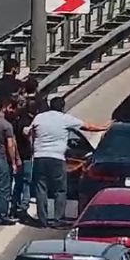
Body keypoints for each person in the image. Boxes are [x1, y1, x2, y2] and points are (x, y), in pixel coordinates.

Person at [30, 95, 109, 228]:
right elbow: (87, 127)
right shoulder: (64, 118)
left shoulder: (39, 118)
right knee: (60, 189)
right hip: (57, 158)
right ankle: (57, 219)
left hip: (39, 157)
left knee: (41, 189)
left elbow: (31, 132)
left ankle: (42, 220)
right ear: (62, 107)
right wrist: (104, 127)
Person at [10, 95, 37, 221]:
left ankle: (14, 206)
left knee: (17, 183)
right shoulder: (27, 122)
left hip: (17, 155)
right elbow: (27, 136)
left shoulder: (14, 120)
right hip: (25, 155)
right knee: (26, 182)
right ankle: (23, 207)